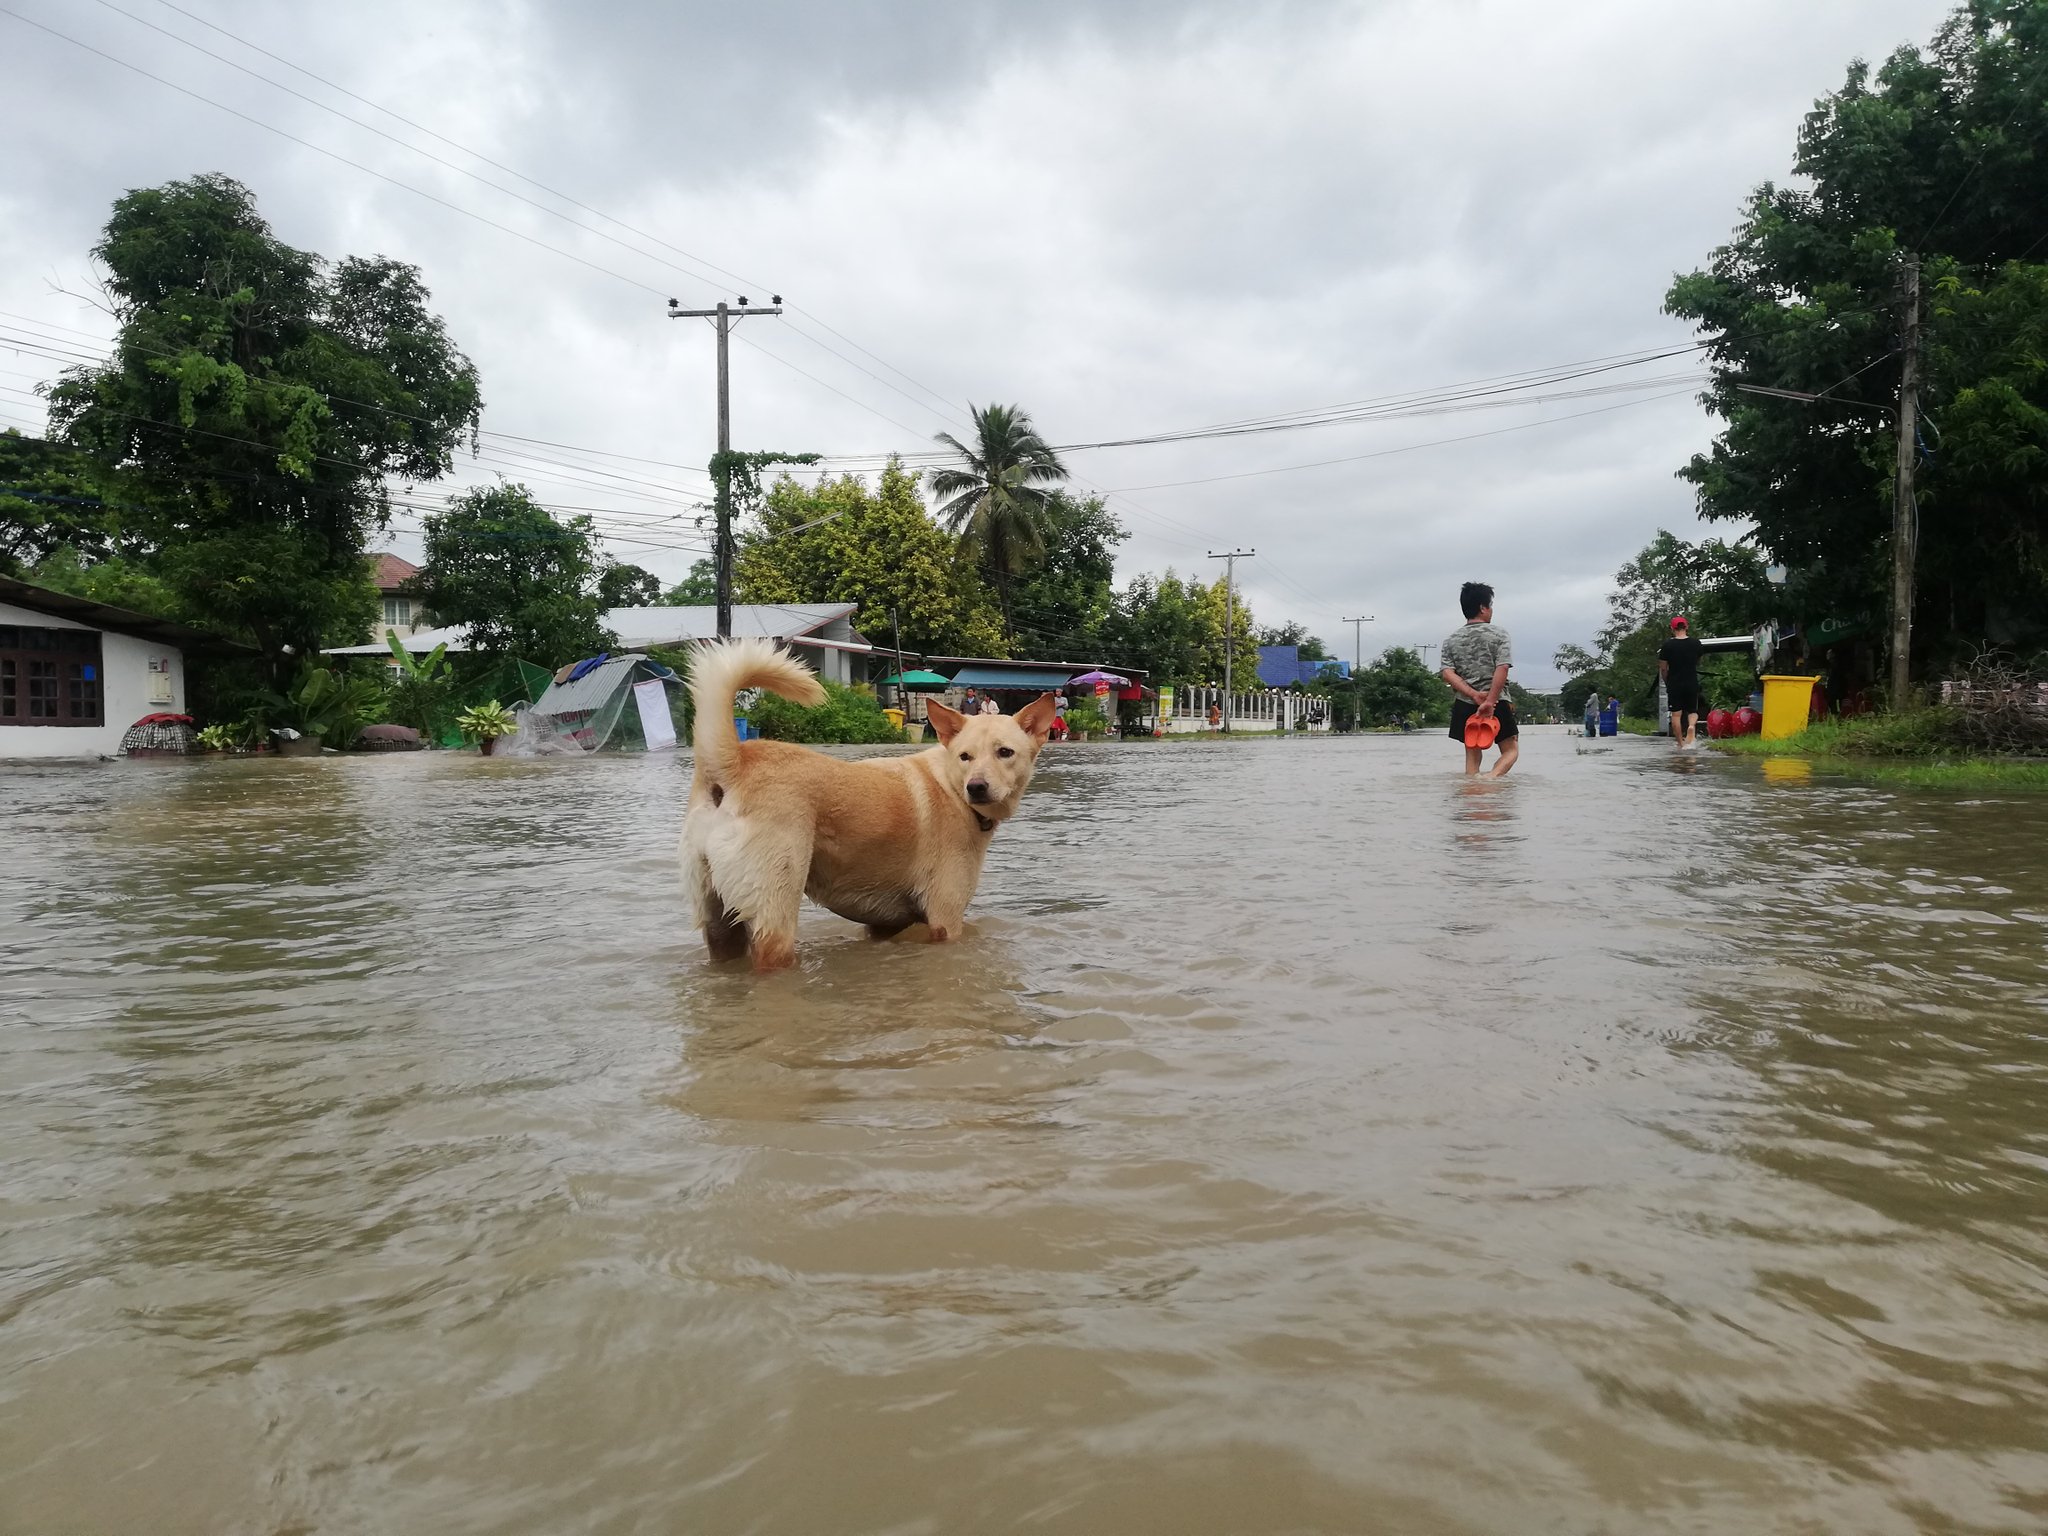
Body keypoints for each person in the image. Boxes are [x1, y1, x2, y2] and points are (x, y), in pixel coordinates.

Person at [1439, 581, 1519, 777]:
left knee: (1472, 755)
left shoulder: (1451, 640)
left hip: (1465, 703)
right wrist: (1490, 701)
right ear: (1483, 608)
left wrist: (1473, 695)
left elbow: (1447, 673)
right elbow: (1502, 668)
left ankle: (1472, 793)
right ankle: (1490, 780)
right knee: (1511, 750)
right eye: (1489, 606)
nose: (1491, 610)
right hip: (1496, 701)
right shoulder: (1499, 634)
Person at [1659, 615, 1705, 748]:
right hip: (1691, 681)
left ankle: (1680, 744)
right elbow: (1699, 661)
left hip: (1674, 683)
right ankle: (1691, 726)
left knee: (1676, 715)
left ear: (1672, 628)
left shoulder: (1667, 645)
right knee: (1692, 711)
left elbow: (1663, 669)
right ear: (1686, 627)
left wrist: (1667, 681)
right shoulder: (1696, 643)